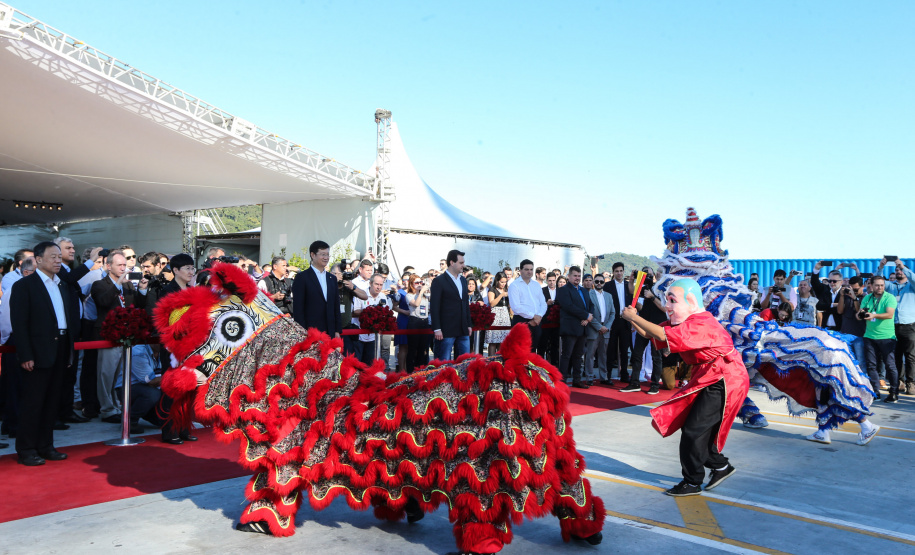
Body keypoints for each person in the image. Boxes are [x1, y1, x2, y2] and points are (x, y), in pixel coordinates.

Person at [622, 278, 749, 496]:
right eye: (666, 300)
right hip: (709, 374)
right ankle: (720, 466)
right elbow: (649, 333)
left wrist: (634, 317)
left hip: (725, 377)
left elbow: (661, 334)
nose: (667, 306)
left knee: (694, 429)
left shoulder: (701, 323)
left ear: (691, 301)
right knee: (697, 428)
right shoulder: (682, 322)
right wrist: (632, 318)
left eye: (672, 300)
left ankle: (692, 481)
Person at [9, 242, 83, 466]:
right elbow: (19, 324)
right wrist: (26, 355)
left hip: (61, 347)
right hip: (38, 351)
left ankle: (46, 445)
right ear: (38, 259)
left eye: (60, 256)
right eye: (53, 256)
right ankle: (26, 449)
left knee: (52, 401)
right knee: (33, 402)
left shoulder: (63, 285)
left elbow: (67, 319)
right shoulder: (24, 286)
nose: (58, 260)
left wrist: (69, 351)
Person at [91, 250, 148, 423]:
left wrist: (142, 290)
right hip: (108, 335)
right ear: (108, 266)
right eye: (120, 265)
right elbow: (103, 302)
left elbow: (137, 306)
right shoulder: (99, 284)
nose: (124, 268)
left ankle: (117, 405)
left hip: (126, 336)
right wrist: (117, 285)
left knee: (120, 375)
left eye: (125, 265)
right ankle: (107, 409)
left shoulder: (128, 286)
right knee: (106, 374)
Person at [621, 272, 665, 395]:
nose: (658, 274)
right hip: (644, 325)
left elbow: (665, 308)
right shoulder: (646, 288)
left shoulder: (665, 289)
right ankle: (634, 382)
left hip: (657, 327)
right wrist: (631, 280)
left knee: (656, 357)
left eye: (661, 272)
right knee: (637, 354)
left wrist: (652, 297)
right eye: (658, 272)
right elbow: (633, 293)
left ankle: (655, 385)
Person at [859, 276, 899, 402]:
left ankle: (894, 392)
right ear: (871, 285)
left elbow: (889, 314)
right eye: (877, 285)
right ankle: (875, 392)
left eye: (882, 285)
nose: (880, 287)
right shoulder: (867, 298)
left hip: (887, 337)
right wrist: (860, 314)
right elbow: (859, 314)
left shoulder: (889, 297)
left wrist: (873, 315)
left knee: (890, 365)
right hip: (869, 336)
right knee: (871, 365)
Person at [291, 241, 341, 339]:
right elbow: (298, 309)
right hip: (311, 332)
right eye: (323, 254)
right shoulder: (302, 277)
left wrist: (337, 330)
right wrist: (303, 332)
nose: (326, 258)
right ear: (313, 255)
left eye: (327, 254)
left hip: (330, 331)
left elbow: (336, 306)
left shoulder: (332, 278)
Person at [879, 258, 915, 395]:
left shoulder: (911, 285)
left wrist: (903, 266)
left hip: (909, 325)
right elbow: (878, 281)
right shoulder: (891, 286)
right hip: (892, 325)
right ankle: (900, 381)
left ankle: (911, 383)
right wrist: (881, 267)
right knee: (896, 356)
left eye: (901, 269)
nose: (899, 271)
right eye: (897, 269)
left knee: (910, 356)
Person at [430, 250, 472, 361]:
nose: (463, 265)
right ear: (452, 262)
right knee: (443, 362)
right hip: (446, 330)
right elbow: (434, 306)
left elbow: (465, 304)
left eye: (463, 262)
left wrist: (468, 324)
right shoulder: (439, 281)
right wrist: (437, 328)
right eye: (461, 263)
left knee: (464, 362)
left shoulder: (463, 280)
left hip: (462, 329)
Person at [556, 266, 593, 388]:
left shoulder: (584, 290)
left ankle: (577, 380)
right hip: (570, 327)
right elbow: (568, 306)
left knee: (578, 355)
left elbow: (590, 305)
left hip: (583, 327)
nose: (577, 278)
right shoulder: (563, 290)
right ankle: (562, 380)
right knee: (566, 355)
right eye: (575, 275)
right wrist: (585, 315)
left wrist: (588, 317)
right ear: (569, 276)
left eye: (579, 276)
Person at [507, 259, 548, 351]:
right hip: (521, 321)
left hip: (537, 321)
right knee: (520, 352)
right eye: (526, 269)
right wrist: (533, 316)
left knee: (533, 351)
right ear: (520, 270)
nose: (529, 272)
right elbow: (516, 307)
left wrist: (539, 316)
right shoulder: (514, 285)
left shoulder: (536, 285)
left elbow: (543, 303)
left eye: (531, 269)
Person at [352, 274, 390, 366]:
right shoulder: (362, 294)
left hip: (373, 337)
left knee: (370, 365)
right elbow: (355, 312)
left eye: (381, 285)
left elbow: (386, 313)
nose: (379, 287)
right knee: (357, 364)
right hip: (359, 336)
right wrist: (369, 311)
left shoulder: (383, 296)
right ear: (370, 283)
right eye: (376, 284)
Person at [584, 273, 614, 386]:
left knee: (603, 355)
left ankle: (604, 377)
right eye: (597, 281)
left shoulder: (609, 296)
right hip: (593, 328)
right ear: (593, 282)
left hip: (606, 329)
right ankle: (589, 377)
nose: (599, 283)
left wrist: (607, 327)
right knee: (590, 355)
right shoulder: (588, 295)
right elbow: (588, 313)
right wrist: (599, 327)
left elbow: (613, 313)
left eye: (601, 281)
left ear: (604, 283)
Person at [606, 262, 633, 382]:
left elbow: (632, 302)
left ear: (623, 271)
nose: (619, 273)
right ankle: (607, 375)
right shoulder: (608, 286)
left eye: (621, 271)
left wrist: (632, 321)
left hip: (625, 321)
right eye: (616, 271)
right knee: (610, 349)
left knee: (624, 350)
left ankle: (624, 374)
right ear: (613, 272)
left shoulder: (628, 285)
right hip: (613, 321)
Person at [405, 275, 432, 373]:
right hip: (414, 322)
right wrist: (420, 292)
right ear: (411, 284)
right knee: (412, 349)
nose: (419, 284)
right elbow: (416, 304)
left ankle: (421, 371)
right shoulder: (409, 295)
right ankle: (410, 372)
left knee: (423, 349)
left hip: (424, 322)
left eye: (421, 282)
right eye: (417, 283)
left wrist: (428, 288)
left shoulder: (425, 295)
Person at [486, 272, 511, 355]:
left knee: (502, 341)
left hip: (505, 315)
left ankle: (500, 359)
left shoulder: (507, 290)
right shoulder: (492, 289)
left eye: (505, 282)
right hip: (495, 315)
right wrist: (501, 295)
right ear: (497, 281)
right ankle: (491, 359)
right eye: (502, 282)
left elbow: (510, 305)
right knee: (493, 341)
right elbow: (492, 303)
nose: (504, 284)